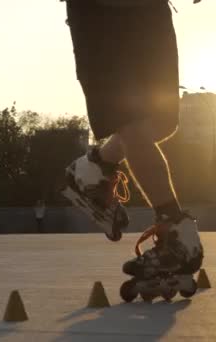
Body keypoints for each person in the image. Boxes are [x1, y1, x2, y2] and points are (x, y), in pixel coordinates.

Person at [62, 0, 203, 287]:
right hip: (100, 15)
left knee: (161, 119)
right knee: (129, 120)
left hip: (148, 9)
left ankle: (94, 169)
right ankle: (174, 229)